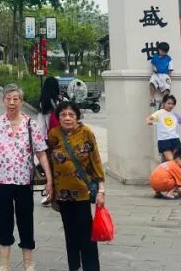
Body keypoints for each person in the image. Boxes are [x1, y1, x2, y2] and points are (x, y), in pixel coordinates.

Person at [0, 83, 53, 271]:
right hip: (1, 182)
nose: (12, 102)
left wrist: (50, 180)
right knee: (3, 221)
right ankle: (4, 264)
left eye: (16, 99)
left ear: (21, 101)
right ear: (3, 100)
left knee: (25, 221)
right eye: (8, 99)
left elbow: (42, 154)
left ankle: (28, 263)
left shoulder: (31, 125)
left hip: (24, 183)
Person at [47, 100, 105, 271]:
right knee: (70, 234)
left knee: (86, 234)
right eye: (63, 115)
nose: (67, 118)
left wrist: (101, 190)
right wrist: (50, 187)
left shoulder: (86, 133)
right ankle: (74, 266)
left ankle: (90, 267)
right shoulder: (54, 134)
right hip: (62, 194)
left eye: (71, 115)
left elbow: (96, 161)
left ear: (77, 117)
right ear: (58, 117)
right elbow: (49, 161)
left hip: (82, 193)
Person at [36, 76, 62, 206]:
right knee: (61, 166)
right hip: (63, 139)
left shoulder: (43, 103)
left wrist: (39, 143)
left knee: (50, 168)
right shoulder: (62, 100)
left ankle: (49, 194)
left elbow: (41, 126)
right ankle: (61, 193)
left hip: (48, 140)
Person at [149, 42, 173, 107]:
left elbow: (170, 69)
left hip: (165, 75)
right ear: (159, 49)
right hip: (156, 74)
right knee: (151, 82)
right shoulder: (155, 56)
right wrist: (154, 68)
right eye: (163, 51)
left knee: (167, 88)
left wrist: (169, 78)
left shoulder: (169, 58)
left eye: (165, 52)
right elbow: (152, 65)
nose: (164, 53)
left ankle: (163, 102)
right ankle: (152, 98)